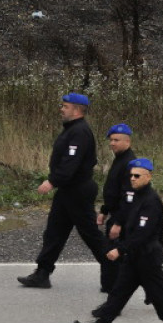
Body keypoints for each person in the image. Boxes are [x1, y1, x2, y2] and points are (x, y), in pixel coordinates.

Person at [75, 158, 163, 323]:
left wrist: (120, 249)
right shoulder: (136, 196)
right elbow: (126, 216)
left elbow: (144, 234)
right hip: (135, 257)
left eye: (137, 176)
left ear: (148, 177)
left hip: (148, 258)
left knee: (160, 297)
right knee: (119, 292)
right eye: (131, 176)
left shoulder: (151, 201)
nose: (133, 179)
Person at [18, 93, 109, 289]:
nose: (61, 109)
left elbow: (71, 163)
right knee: (54, 232)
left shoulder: (80, 132)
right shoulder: (71, 130)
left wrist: (52, 182)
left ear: (76, 110)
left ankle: (115, 271)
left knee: (90, 234)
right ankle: (42, 273)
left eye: (65, 106)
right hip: (68, 191)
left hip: (78, 191)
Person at [96, 123, 136, 294]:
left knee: (115, 255)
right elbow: (113, 189)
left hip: (124, 217)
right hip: (115, 213)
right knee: (112, 254)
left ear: (127, 141)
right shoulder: (119, 159)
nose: (112, 143)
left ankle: (114, 290)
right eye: (111, 140)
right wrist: (104, 210)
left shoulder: (129, 163)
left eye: (116, 140)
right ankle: (109, 286)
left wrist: (118, 223)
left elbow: (129, 197)